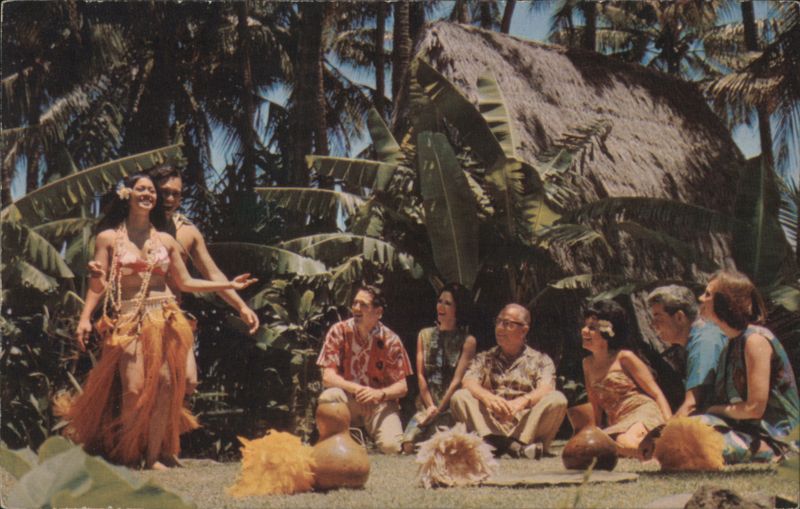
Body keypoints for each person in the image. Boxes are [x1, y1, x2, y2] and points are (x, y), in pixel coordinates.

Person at [58, 174, 257, 469]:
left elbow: (187, 282)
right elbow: (96, 285)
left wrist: (230, 287)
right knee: (135, 388)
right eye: (142, 189)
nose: (149, 195)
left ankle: (153, 457)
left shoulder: (165, 240)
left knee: (166, 384)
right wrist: (85, 318)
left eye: (152, 191)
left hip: (165, 316)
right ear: (127, 194)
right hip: (128, 318)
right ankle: (127, 454)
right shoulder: (109, 238)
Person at [694, 269, 799, 463]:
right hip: (748, 431)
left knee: (697, 438)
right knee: (690, 429)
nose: (701, 298)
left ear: (725, 301)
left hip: (779, 439)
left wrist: (714, 410)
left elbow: (754, 409)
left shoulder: (755, 341)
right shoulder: (731, 343)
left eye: (708, 294)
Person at [450, 304, 567, 459]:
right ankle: (511, 447)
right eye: (498, 322)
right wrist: (489, 398)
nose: (499, 328)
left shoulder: (541, 360)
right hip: (490, 424)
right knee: (461, 396)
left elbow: (546, 388)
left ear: (524, 330)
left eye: (507, 324)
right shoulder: (484, 358)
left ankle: (504, 445)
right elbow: (468, 381)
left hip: (525, 426)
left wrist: (522, 402)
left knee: (557, 399)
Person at [316, 285, 413, 454]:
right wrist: (358, 389)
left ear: (378, 313)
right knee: (329, 397)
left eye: (363, 305)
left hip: (378, 404)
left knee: (391, 447)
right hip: (348, 400)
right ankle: (339, 442)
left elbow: (402, 386)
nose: (356, 308)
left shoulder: (391, 340)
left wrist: (378, 394)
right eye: (355, 303)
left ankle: (364, 437)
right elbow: (328, 377)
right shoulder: (338, 331)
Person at [581, 299, 672, 457]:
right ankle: (652, 450)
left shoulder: (625, 357)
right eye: (585, 326)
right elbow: (595, 404)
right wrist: (594, 432)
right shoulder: (587, 364)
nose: (584, 331)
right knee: (596, 448)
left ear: (608, 332)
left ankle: (661, 450)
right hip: (618, 422)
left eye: (592, 328)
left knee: (625, 442)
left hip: (642, 412)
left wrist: (670, 426)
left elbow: (656, 393)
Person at [400, 283, 478, 453]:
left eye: (448, 303)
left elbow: (457, 381)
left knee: (440, 445)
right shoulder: (424, 335)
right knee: (408, 444)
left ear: (458, 308)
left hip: (449, 407)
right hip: (426, 405)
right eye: (440, 301)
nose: (441, 306)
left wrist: (440, 409)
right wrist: (429, 406)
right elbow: (420, 375)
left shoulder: (468, 341)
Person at [647, 285, 727, 416]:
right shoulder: (700, 337)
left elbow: (692, 405)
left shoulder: (703, 342)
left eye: (658, 316)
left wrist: (664, 434)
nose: (653, 324)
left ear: (679, 317)